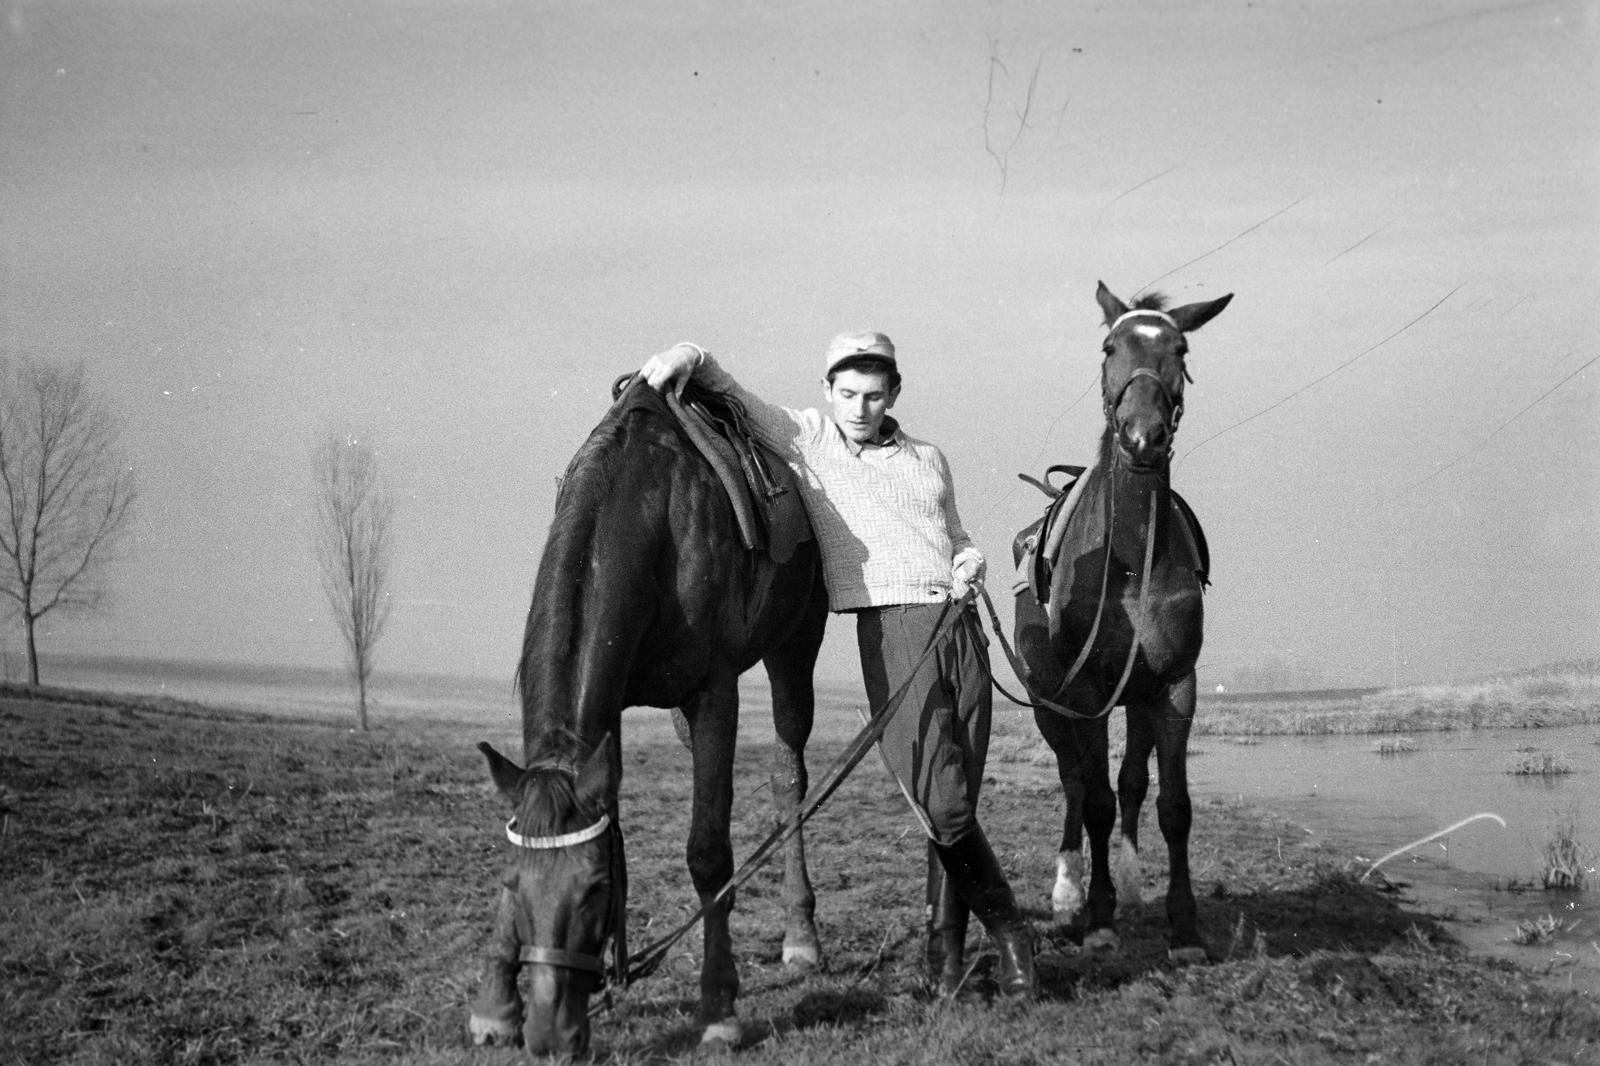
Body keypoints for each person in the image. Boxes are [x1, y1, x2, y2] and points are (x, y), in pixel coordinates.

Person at [639, 332, 1036, 998]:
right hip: (895, 632)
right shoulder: (813, 441)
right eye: (847, 393)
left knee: (956, 800)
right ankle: (1013, 939)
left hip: (961, 627)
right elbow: (735, 393)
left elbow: (954, 533)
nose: (859, 407)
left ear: (894, 394)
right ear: (829, 391)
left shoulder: (928, 458)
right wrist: (690, 356)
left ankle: (944, 961)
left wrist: (969, 560)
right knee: (940, 801)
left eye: (873, 395)